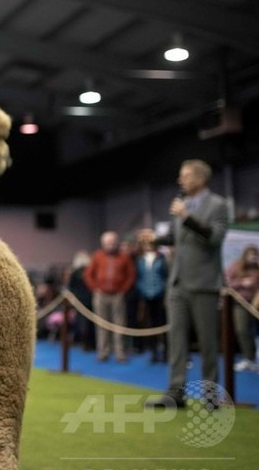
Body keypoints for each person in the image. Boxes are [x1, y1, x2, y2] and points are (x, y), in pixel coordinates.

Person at [146, 159, 230, 409]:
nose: (180, 180)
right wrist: (156, 239)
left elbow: (214, 238)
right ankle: (175, 393)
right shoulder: (181, 206)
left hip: (204, 284)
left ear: (201, 178)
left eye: (185, 175)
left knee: (208, 344)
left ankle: (211, 396)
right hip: (178, 283)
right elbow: (175, 238)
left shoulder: (218, 205)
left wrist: (187, 216)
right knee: (177, 343)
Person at [84, 230, 136, 362]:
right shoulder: (97, 256)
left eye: (112, 242)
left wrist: (123, 289)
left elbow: (131, 276)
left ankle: (120, 352)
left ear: (116, 243)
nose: (110, 245)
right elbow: (88, 274)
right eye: (108, 243)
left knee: (119, 324)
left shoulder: (124, 257)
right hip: (101, 295)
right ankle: (103, 352)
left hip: (117, 295)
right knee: (102, 324)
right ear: (103, 244)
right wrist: (95, 288)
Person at [134, 229, 168, 363]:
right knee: (150, 325)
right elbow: (139, 277)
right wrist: (142, 291)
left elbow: (165, 276)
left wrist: (163, 292)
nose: (148, 245)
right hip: (146, 296)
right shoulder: (139, 259)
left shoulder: (161, 258)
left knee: (162, 324)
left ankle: (165, 352)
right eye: (145, 243)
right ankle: (154, 352)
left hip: (160, 294)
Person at [225, 244, 259, 372]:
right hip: (240, 303)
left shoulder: (257, 270)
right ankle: (248, 358)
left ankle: (253, 358)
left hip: (255, 305)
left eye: (255, 255)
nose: (253, 258)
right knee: (242, 330)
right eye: (251, 255)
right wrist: (242, 283)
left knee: (253, 332)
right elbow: (227, 281)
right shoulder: (236, 267)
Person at [67, 250, 95, 351]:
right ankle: (89, 343)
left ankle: (83, 342)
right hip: (88, 299)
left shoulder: (75, 272)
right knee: (89, 322)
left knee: (82, 322)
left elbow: (71, 287)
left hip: (80, 301)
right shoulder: (90, 271)